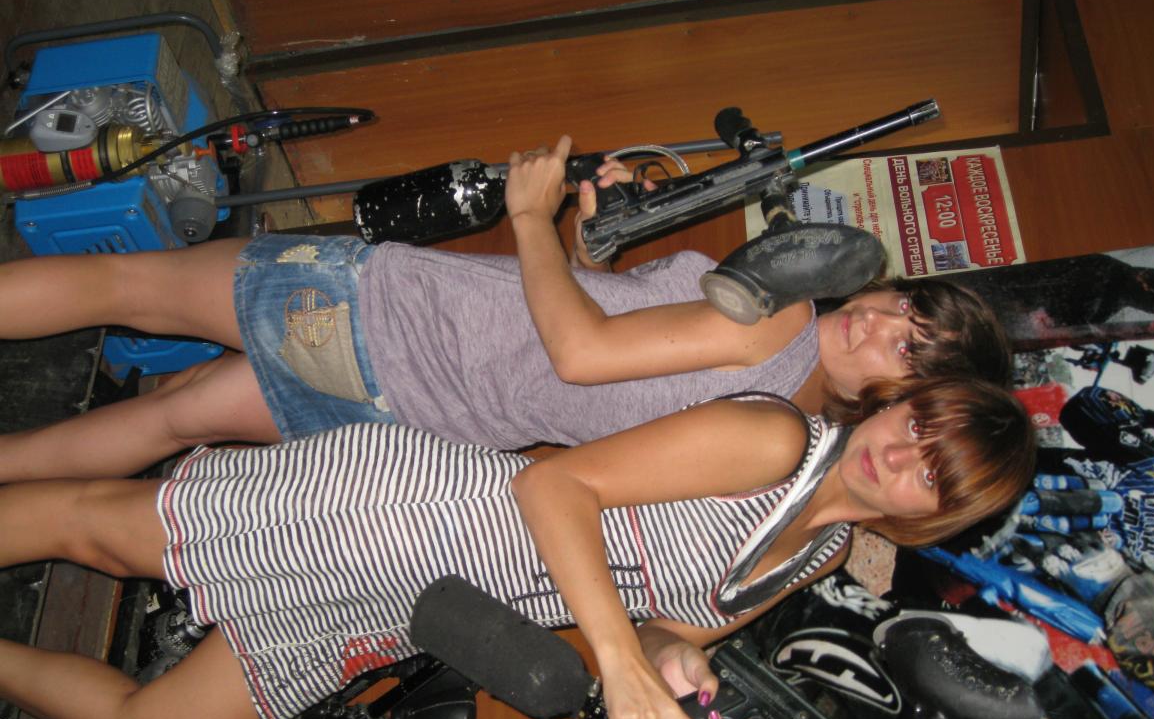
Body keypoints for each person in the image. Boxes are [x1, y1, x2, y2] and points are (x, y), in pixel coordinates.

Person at [0, 376, 1035, 719]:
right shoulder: (773, 442)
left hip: (424, 607)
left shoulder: (817, 554)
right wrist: (620, 661)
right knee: (104, 534)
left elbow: (667, 626)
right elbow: (554, 485)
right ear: (897, 402)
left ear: (937, 513)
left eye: (932, 472)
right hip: (409, 511)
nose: (900, 454)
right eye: (917, 424)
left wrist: (671, 671)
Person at [0, 137, 1009, 482]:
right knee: (173, 421)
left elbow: (579, 356)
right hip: (417, 406)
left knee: (129, 286)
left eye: (909, 352)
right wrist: (594, 239)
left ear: (899, 398)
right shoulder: (785, 413)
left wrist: (529, 216)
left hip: (393, 317)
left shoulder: (778, 325)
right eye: (906, 309)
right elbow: (599, 339)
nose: (881, 326)